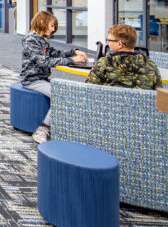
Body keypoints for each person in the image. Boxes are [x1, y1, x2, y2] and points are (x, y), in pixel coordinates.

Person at [21, 10, 88, 143]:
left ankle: (58, 127)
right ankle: (43, 129)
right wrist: (73, 61)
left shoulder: (41, 41)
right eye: (52, 26)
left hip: (41, 78)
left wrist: (73, 52)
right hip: (32, 80)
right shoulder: (31, 41)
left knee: (66, 91)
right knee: (60, 94)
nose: (53, 30)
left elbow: (55, 54)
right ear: (42, 22)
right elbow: (44, 61)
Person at [87, 24, 161, 89]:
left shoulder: (103, 64)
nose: (108, 43)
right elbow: (160, 96)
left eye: (109, 40)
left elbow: (90, 91)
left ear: (119, 44)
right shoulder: (151, 66)